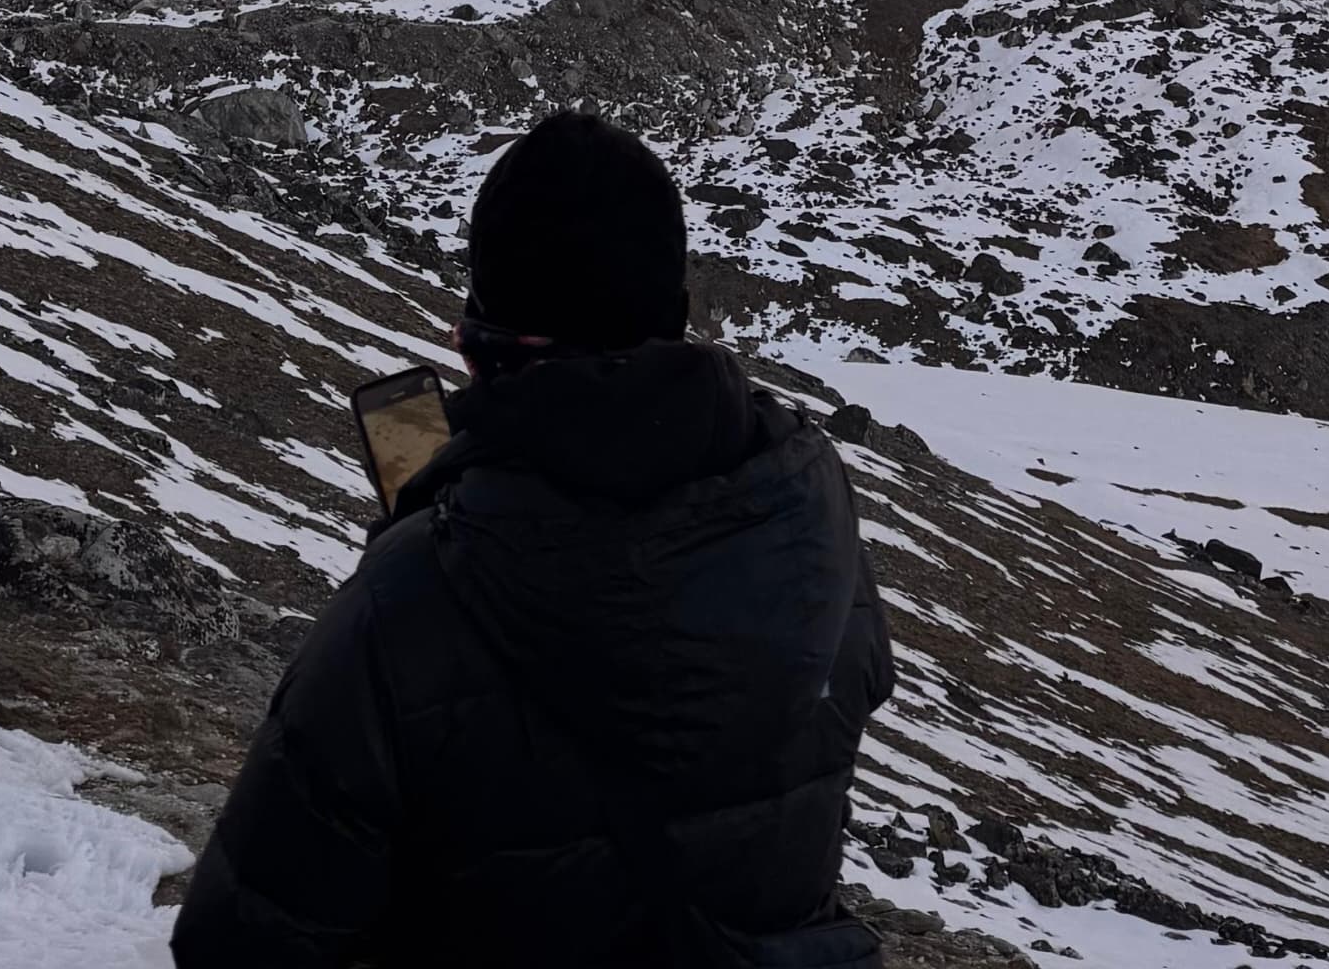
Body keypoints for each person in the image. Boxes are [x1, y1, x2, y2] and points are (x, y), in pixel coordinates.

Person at [172, 109, 891, 965]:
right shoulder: (806, 503)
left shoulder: (413, 595)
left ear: (477, 344)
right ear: (674, 314)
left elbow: (239, 941)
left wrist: (417, 560)